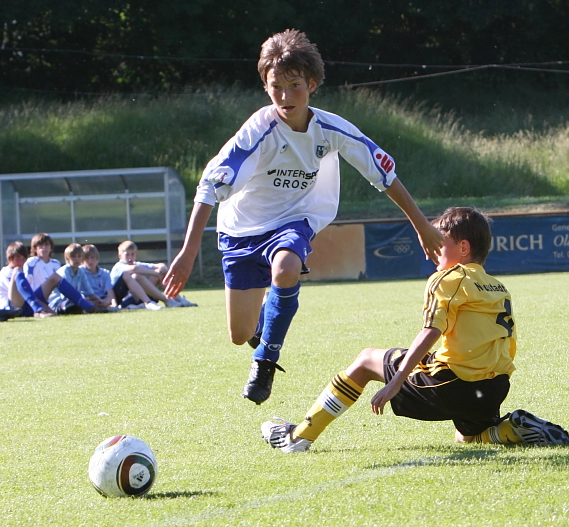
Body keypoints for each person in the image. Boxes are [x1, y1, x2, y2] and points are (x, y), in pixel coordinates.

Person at [162, 29, 444, 405]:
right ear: (266, 87)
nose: (285, 96)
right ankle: (264, 328)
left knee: (286, 268)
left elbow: (383, 173)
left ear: (311, 84)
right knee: (239, 333)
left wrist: (422, 225)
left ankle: (265, 362)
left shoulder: (331, 129)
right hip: (241, 229)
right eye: (276, 87)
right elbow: (209, 187)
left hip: (296, 219)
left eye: (294, 85)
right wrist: (188, 253)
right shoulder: (258, 131)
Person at [261, 207, 569, 452]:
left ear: (463, 247)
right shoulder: (497, 286)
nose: (428, 249)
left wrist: (396, 381)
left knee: (367, 359)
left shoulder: (448, 278)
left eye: (437, 241)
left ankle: (299, 437)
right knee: (468, 437)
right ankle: (512, 429)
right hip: (493, 387)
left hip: (453, 383)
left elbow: (431, 331)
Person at [7, 234, 96, 316]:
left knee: (55, 277)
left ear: (51, 248)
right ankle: (37, 309)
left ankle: (88, 306)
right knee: (17, 270)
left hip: (45, 301)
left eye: (46, 245)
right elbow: (27, 289)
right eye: (40, 246)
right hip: (27, 301)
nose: (44, 248)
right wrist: (46, 309)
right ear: (35, 249)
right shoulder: (32, 262)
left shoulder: (55, 263)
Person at [110, 240, 193, 310]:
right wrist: (155, 273)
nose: (130, 257)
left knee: (159, 272)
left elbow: (160, 265)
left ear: (136, 255)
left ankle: (177, 299)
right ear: (120, 256)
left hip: (139, 296)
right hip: (125, 299)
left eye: (132, 254)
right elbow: (135, 269)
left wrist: (161, 269)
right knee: (136, 276)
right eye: (127, 254)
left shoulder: (136, 263)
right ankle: (166, 301)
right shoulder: (118, 266)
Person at [81, 244, 118, 310]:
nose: (90, 261)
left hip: (102, 298)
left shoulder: (105, 273)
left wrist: (109, 302)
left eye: (92, 257)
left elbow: (110, 292)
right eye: (87, 258)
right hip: (88, 299)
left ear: (97, 259)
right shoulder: (80, 272)